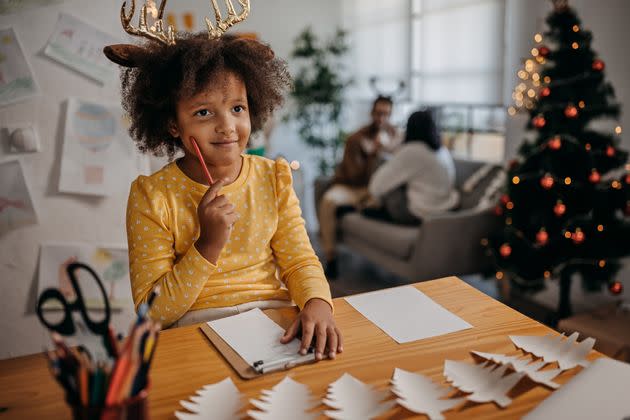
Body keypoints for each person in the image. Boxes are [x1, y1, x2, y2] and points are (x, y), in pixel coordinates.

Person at [105, 27, 342, 360]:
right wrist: (208, 244)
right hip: (195, 334)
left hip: (274, 324)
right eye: (203, 112)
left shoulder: (273, 177)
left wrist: (317, 302)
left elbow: (299, 260)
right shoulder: (152, 196)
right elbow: (152, 312)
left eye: (237, 108)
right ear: (174, 124)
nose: (227, 126)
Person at [318, 96, 400, 278]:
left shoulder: (395, 138)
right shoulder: (356, 139)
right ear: (372, 113)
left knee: (382, 205)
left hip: (374, 190)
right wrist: (371, 153)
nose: (382, 118)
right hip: (351, 187)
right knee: (329, 201)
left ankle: (355, 208)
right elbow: (354, 176)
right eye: (379, 113)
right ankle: (331, 258)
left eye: (386, 114)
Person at [367, 110, 460, 224]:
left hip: (419, 213)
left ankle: (372, 207)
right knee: (398, 171)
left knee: (382, 162)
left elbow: (375, 187)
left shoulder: (413, 151)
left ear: (409, 129)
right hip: (446, 207)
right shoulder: (442, 150)